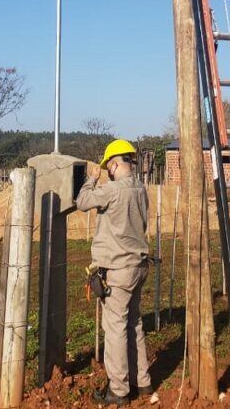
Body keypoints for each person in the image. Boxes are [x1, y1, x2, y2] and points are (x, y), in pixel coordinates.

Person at [76, 139, 151, 407]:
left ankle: (118, 390)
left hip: (119, 270)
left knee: (115, 328)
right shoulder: (141, 189)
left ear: (115, 164)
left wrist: (91, 180)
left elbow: (83, 202)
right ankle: (142, 382)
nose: (107, 169)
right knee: (135, 323)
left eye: (108, 166)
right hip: (139, 266)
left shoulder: (112, 190)